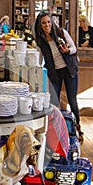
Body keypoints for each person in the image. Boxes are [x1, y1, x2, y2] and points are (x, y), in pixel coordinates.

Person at [33, 10, 84, 143]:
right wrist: (36, 69)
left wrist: (68, 50)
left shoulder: (61, 33)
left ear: (52, 22)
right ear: (40, 25)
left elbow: (74, 48)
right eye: (43, 23)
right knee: (54, 103)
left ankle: (78, 128)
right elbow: (39, 59)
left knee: (72, 101)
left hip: (69, 70)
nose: (47, 25)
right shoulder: (40, 41)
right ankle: (57, 130)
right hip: (54, 72)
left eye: (48, 22)